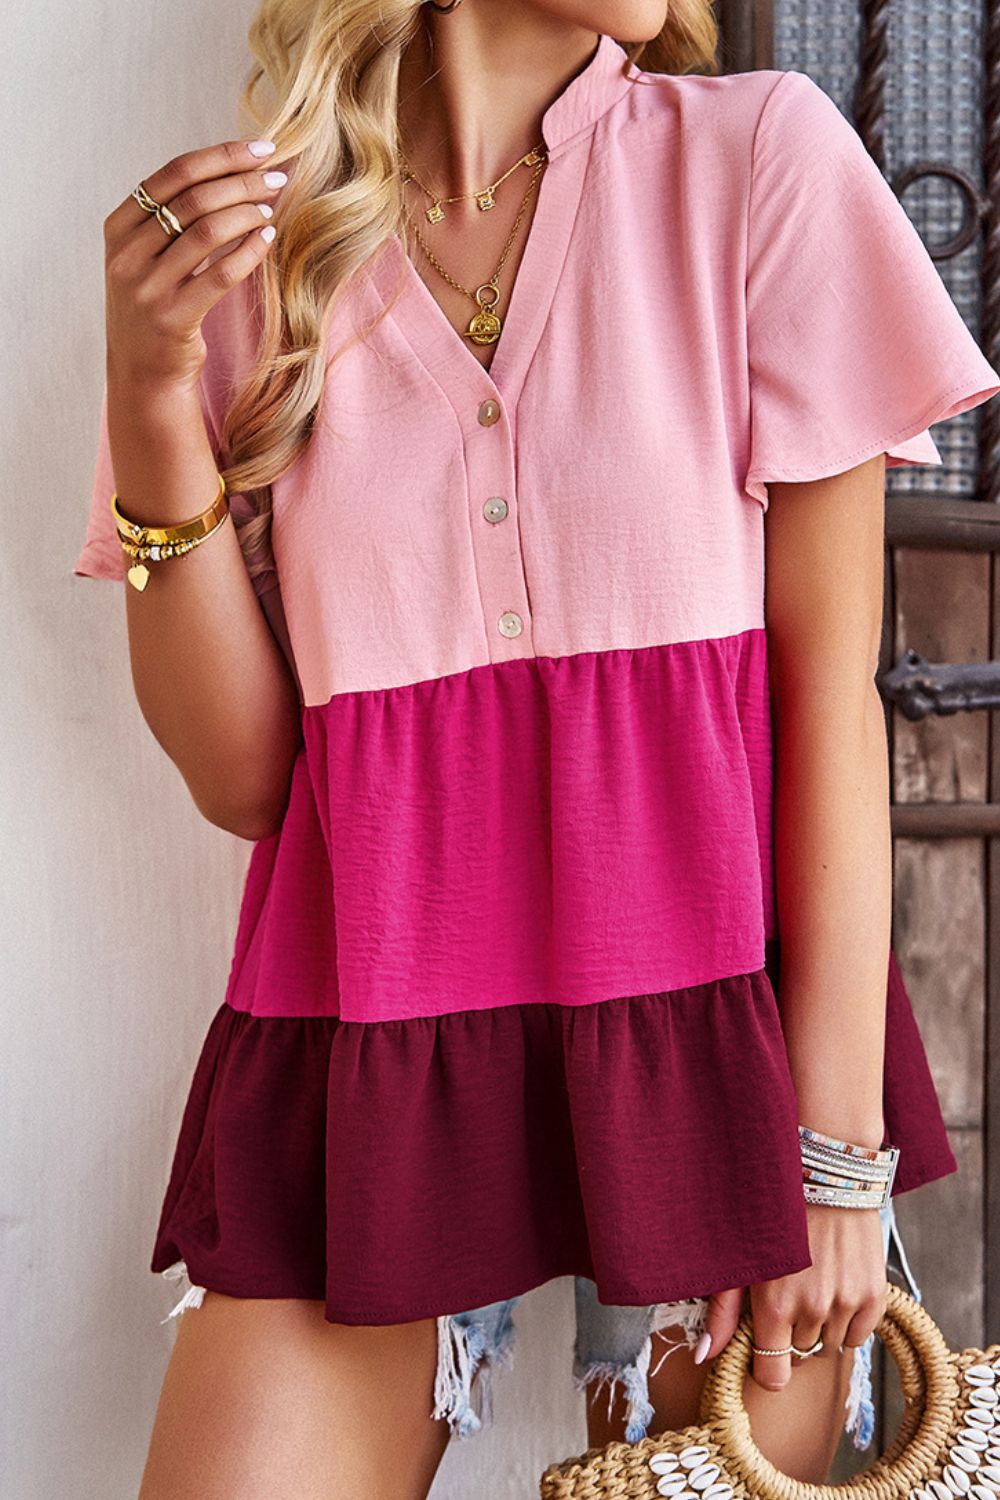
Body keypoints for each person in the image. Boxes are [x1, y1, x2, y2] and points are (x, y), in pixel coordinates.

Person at [74, 1, 1000, 1496]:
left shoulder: (759, 166)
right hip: (374, 1058)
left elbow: (833, 699)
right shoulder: (264, 253)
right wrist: (147, 394)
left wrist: (834, 1164)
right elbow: (249, 779)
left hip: (720, 1054)